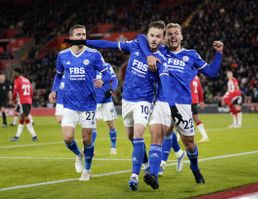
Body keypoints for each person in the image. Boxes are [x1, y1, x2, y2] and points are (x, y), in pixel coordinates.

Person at [65, 20, 181, 191]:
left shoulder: (162, 59)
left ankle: (134, 176)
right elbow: (109, 45)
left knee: (139, 134)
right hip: (127, 99)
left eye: (158, 36)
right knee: (130, 136)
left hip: (145, 100)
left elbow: (165, 82)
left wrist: (173, 107)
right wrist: (83, 42)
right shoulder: (136, 44)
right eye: (152, 35)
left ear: (162, 39)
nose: (154, 39)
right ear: (147, 36)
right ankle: (146, 164)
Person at [137, 22, 223, 184]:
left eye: (176, 33)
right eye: (169, 34)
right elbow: (140, 39)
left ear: (181, 36)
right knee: (156, 135)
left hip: (183, 104)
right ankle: (153, 175)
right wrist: (149, 54)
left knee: (189, 143)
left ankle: (195, 168)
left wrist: (219, 54)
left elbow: (212, 72)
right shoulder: (160, 51)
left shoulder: (192, 55)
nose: (173, 36)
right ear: (165, 39)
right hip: (162, 101)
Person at [48, 24, 117, 181]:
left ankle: (87, 169)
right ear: (71, 37)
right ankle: (79, 155)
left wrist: (101, 80)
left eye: (84, 34)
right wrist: (54, 90)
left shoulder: (94, 54)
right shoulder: (63, 55)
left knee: (87, 139)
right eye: (78, 34)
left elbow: (108, 75)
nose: (82, 37)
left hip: (88, 103)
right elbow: (58, 75)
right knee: (67, 138)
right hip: (70, 103)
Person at [95, 68, 119, 155]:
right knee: (92, 126)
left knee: (111, 125)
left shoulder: (106, 67)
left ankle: (113, 147)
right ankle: (91, 148)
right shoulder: (89, 67)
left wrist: (111, 90)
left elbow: (115, 80)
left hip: (107, 101)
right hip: (94, 101)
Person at [10, 68, 38, 141]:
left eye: (14, 73)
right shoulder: (27, 80)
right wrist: (30, 100)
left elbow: (15, 92)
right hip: (28, 101)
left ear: (18, 73)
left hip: (23, 102)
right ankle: (17, 137)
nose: (13, 74)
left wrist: (12, 100)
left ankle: (34, 136)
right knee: (22, 119)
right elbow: (31, 91)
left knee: (25, 119)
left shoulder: (17, 80)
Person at [191, 75, 209, 142]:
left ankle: (204, 136)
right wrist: (201, 101)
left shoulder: (187, 74)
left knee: (184, 118)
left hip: (188, 100)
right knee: (194, 117)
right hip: (195, 100)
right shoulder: (196, 77)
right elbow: (200, 90)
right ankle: (204, 136)